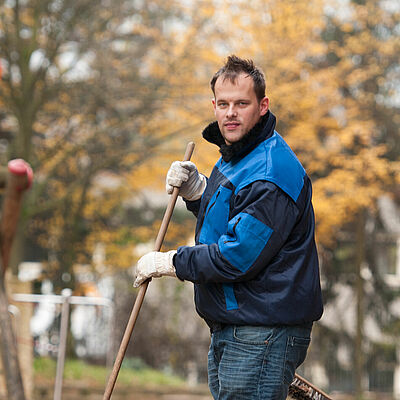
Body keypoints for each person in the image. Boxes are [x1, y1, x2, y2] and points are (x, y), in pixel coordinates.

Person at [134, 55, 323, 400]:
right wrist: (198, 191)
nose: (230, 113)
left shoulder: (271, 172)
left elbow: (237, 255)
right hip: (239, 326)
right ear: (214, 105)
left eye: (241, 103)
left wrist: (172, 262)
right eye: (223, 104)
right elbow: (231, 215)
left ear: (262, 106)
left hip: (261, 330)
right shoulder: (239, 155)